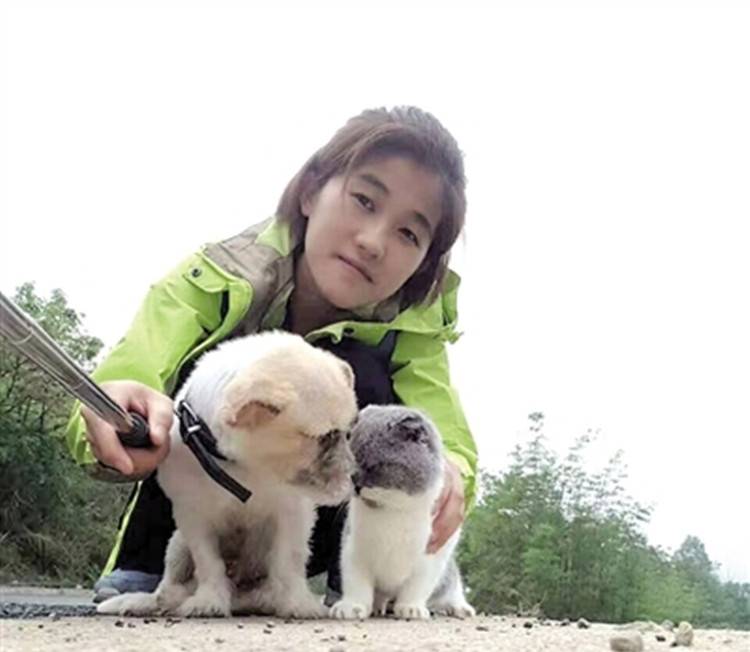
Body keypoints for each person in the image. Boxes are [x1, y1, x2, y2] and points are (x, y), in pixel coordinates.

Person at [65, 106, 478, 602]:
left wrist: (449, 475)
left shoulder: (411, 336)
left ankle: (339, 588)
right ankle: (154, 569)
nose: (373, 242)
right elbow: (121, 381)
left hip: (301, 522)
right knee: (215, 373)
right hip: (185, 518)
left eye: (409, 233)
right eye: (364, 200)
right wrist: (116, 417)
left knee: (371, 388)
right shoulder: (216, 280)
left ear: (423, 264)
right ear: (310, 192)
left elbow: (449, 441)